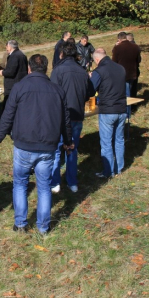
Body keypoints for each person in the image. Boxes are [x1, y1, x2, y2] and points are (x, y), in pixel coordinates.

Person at [0, 54, 72, 234]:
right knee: (43, 186)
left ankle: (21, 224)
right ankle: (43, 227)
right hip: (46, 146)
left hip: (25, 146)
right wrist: (68, 141)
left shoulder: (20, 87)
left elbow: (7, 115)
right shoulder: (57, 90)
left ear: (29, 68)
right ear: (46, 68)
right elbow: (66, 121)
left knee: (20, 183)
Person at [50, 41, 94, 193]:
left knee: (56, 150)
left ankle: (55, 182)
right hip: (76, 115)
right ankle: (72, 182)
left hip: (61, 116)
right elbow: (91, 92)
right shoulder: (82, 71)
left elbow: (52, 93)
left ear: (61, 54)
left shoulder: (58, 70)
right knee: (72, 149)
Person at [90, 48, 127, 178]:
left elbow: (90, 90)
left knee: (106, 143)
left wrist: (91, 78)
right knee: (119, 140)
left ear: (97, 59)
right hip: (122, 108)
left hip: (108, 110)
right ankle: (119, 168)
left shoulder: (99, 71)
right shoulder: (120, 68)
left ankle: (108, 171)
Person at [111, 31, 141, 105]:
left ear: (119, 39)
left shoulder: (117, 48)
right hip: (133, 72)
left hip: (122, 74)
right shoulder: (135, 47)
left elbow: (114, 62)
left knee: (125, 93)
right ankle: (132, 107)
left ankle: (127, 111)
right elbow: (138, 60)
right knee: (131, 90)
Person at [0, 40, 28, 106]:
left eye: (7, 47)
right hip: (21, 83)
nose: (6, 49)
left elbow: (10, 72)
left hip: (12, 85)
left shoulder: (14, 56)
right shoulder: (22, 54)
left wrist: (2, 72)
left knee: (9, 104)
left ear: (9, 47)